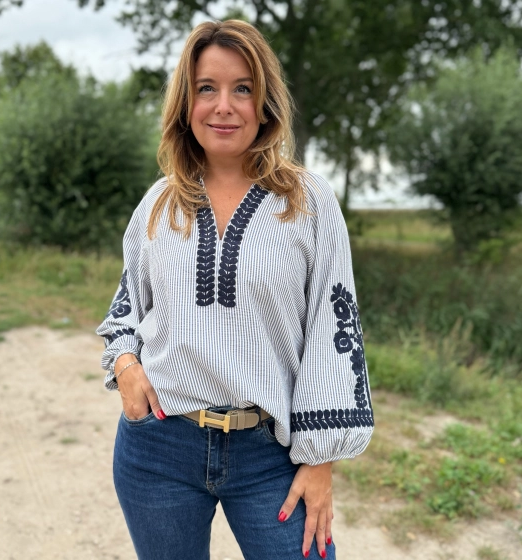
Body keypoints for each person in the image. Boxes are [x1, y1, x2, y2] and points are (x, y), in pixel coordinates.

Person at [96, 19, 374, 560]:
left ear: (264, 103)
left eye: (242, 88)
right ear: (187, 103)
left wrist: (320, 461)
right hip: (158, 450)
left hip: (270, 454)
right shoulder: (159, 204)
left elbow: (334, 330)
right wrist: (126, 365)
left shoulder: (308, 202)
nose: (224, 106)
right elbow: (125, 310)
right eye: (207, 88)